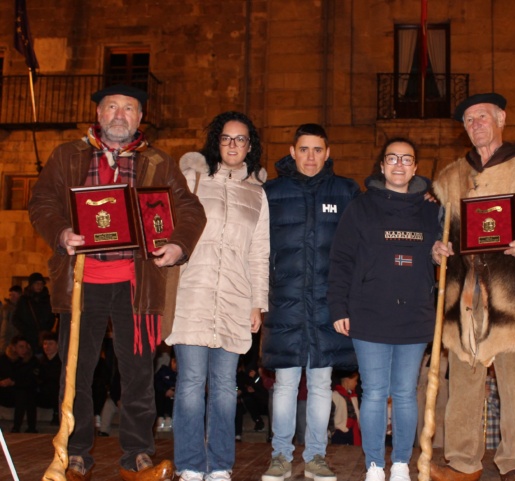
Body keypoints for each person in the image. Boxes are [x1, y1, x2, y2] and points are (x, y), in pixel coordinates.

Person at [28, 83, 206, 481]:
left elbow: (190, 209)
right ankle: (73, 457)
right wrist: (60, 232)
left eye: (129, 108)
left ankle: (138, 457)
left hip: (136, 285)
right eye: (112, 107)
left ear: (140, 118)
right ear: (99, 114)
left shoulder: (159, 162)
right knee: (76, 372)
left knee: (139, 374)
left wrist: (178, 244)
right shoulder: (66, 156)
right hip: (81, 282)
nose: (120, 115)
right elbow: (41, 202)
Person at [429, 93, 515, 481]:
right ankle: (462, 464)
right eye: (469, 120)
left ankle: (513, 466)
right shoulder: (451, 176)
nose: (475, 125)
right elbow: (441, 234)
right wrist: (436, 250)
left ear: (501, 118)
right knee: (464, 386)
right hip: (463, 297)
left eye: (482, 117)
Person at [165, 110, 270, 481]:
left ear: (250, 146)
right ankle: (191, 465)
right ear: (216, 142)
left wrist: (258, 302)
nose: (233, 145)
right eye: (226, 138)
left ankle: (221, 464)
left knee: (226, 387)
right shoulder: (192, 180)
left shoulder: (257, 194)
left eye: (241, 139)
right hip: (192, 293)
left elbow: (260, 253)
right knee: (191, 383)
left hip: (235, 299)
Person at [329, 137, 441, 481]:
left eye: (406, 159)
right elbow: (341, 260)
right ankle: (375, 464)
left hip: (415, 314)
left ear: (415, 168)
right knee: (375, 392)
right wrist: (338, 307)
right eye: (392, 158)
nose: (398, 165)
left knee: (406, 393)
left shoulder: (431, 209)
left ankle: (402, 464)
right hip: (369, 313)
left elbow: (442, 252)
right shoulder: (360, 208)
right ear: (381, 166)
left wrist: (439, 253)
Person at [260, 123, 360, 481]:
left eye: (318, 150)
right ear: (292, 151)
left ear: (328, 153)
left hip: (327, 304)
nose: (311, 157)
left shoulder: (346, 191)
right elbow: (257, 250)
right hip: (284, 301)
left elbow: (358, 248)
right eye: (304, 149)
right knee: (285, 384)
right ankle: (280, 457)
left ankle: (316, 456)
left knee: (320, 384)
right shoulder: (269, 192)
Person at [12, 272, 54, 353]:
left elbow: (51, 317)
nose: (39, 286)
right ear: (31, 285)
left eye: (41, 283)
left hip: (43, 338)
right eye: (36, 283)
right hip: (27, 337)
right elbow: (16, 319)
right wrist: (27, 331)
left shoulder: (47, 300)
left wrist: (45, 330)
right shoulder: (24, 300)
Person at [9, 336, 38, 432]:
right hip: (8, 391)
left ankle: (25, 428)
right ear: (14, 348)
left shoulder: (33, 361)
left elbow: (33, 380)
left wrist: (15, 382)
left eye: (26, 347)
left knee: (26, 394)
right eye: (21, 347)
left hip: (25, 390)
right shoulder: (6, 360)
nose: (24, 350)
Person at [329, 370, 361, 446]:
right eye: (355, 380)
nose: (356, 383)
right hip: (339, 432)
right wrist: (332, 432)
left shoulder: (353, 396)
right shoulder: (335, 396)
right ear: (347, 380)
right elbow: (330, 416)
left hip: (352, 431)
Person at [37, 331, 62, 426]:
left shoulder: (61, 361)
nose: (47, 347)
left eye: (50, 344)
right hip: (43, 392)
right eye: (45, 344)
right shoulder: (40, 361)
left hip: (56, 391)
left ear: (57, 345)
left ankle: (57, 414)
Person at [0, 285, 22, 352]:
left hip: (17, 337)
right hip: (4, 338)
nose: (12, 297)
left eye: (14, 295)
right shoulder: (4, 308)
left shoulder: (22, 308)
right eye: (10, 295)